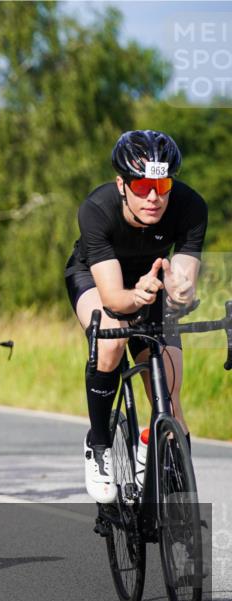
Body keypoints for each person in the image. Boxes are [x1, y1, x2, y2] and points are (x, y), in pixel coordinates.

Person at [65, 130, 205, 503]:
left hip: (152, 281)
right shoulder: (96, 210)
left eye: (163, 184)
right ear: (122, 184)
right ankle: (98, 445)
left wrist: (180, 291)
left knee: (170, 391)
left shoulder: (191, 207)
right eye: (142, 185)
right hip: (98, 280)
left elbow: (185, 275)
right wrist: (137, 295)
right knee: (112, 339)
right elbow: (113, 298)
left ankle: (158, 451)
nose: (154, 197)